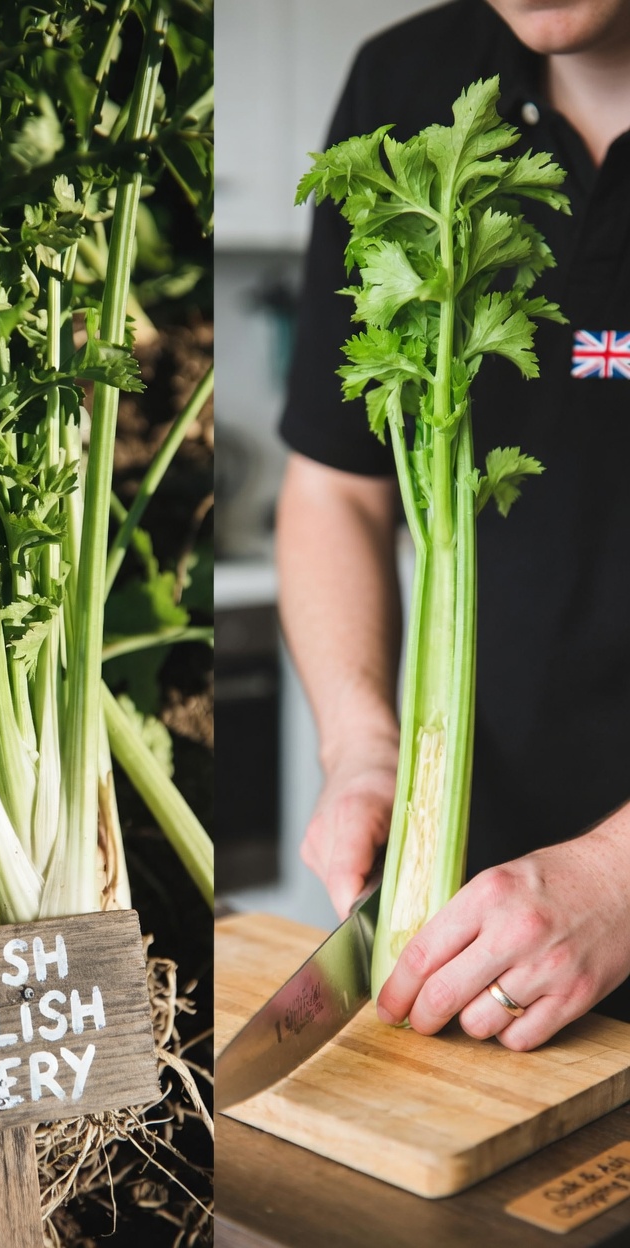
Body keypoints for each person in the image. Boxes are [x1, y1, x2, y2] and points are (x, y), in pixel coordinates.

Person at [277, 0, 630, 1051]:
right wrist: (362, 747)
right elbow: (333, 487)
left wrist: (616, 874)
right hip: (482, 917)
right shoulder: (406, 86)